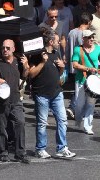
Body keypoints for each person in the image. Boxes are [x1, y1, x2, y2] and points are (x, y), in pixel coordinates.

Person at [28, 30, 76, 159]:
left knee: (62, 120)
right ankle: (40, 149)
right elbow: (31, 74)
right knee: (42, 122)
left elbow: (59, 74)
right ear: (50, 42)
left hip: (56, 92)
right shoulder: (37, 55)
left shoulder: (57, 53)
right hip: (42, 93)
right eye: (57, 40)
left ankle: (62, 148)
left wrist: (61, 67)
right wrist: (43, 62)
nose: (59, 42)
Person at [0, 39, 30, 163]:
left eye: (8, 48)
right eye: (3, 47)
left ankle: (20, 153)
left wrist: (26, 67)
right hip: (1, 100)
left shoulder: (18, 61)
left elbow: (24, 76)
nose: (5, 50)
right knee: (1, 126)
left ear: (13, 49)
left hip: (15, 99)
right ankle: (3, 152)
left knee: (20, 122)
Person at [71, 30, 100, 135]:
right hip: (81, 80)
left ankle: (88, 126)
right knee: (79, 104)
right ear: (83, 39)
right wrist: (88, 69)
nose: (92, 39)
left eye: (92, 37)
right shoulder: (78, 49)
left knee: (91, 104)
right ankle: (78, 120)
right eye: (89, 37)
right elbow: (74, 64)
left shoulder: (98, 48)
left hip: (94, 80)